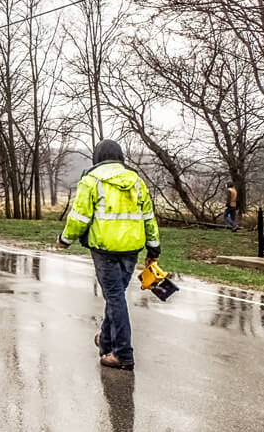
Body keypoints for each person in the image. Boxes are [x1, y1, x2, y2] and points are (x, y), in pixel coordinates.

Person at [57, 139, 161, 371]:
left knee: (115, 297)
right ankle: (105, 340)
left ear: (98, 157)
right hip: (132, 248)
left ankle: (123, 353)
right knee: (116, 296)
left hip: (105, 249)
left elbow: (80, 218)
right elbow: (148, 217)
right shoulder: (136, 181)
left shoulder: (91, 181)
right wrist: (153, 249)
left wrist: (65, 239)